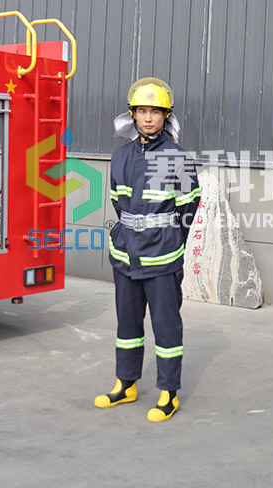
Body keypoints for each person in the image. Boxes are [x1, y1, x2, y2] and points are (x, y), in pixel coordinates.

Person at [94, 78, 200, 422]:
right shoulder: (120, 155)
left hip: (162, 257)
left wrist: (170, 241)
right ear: (133, 115)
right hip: (126, 254)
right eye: (142, 111)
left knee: (166, 327)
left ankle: (169, 392)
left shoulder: (177, 158)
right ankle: (126, 384)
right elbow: (117, 201)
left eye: (155, 111)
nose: (148, 117)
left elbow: (188, 207)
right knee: (127, 324)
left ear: (166, 116)